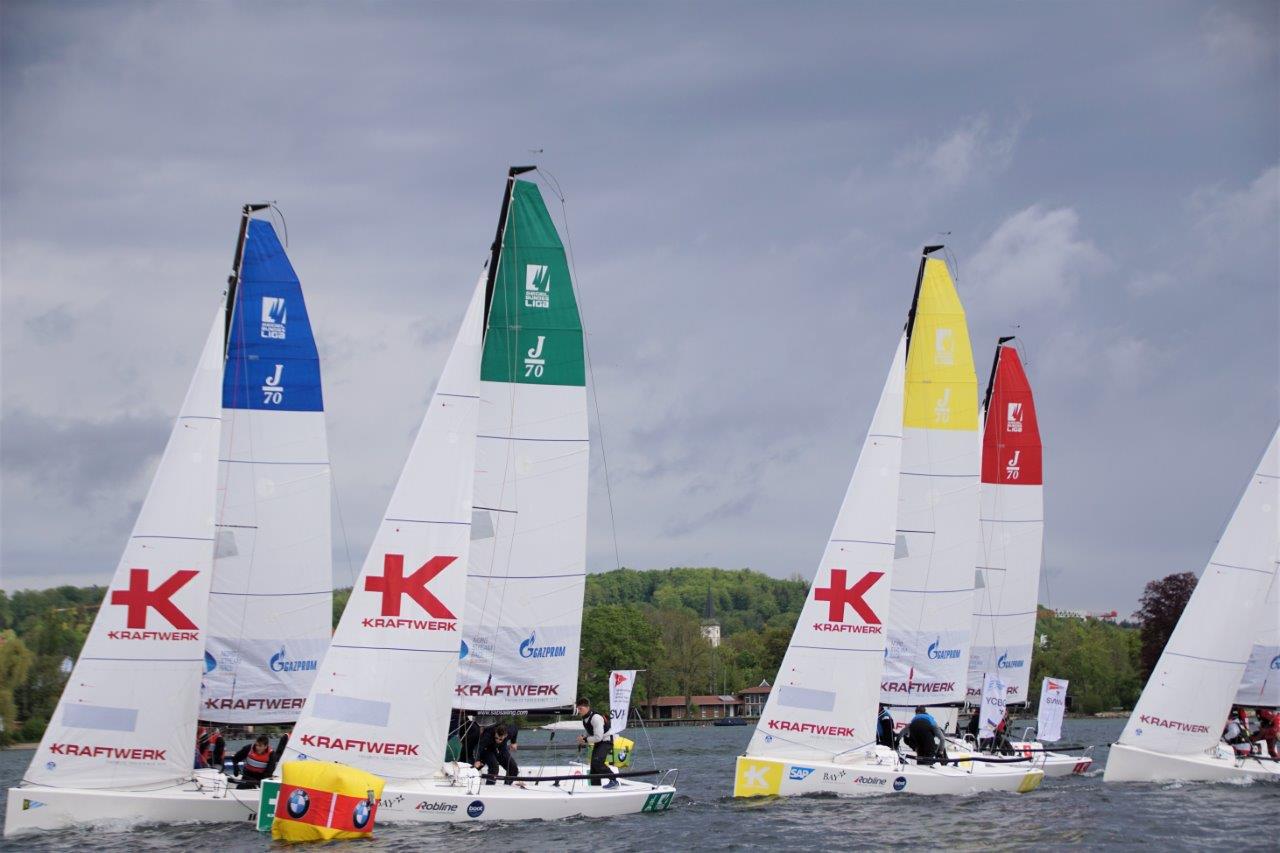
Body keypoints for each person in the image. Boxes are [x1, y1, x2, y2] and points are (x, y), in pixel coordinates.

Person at [576, 697, 617, 788]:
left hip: (607, 740)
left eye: (580, 708)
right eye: (578, 709)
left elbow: (598, 737)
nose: (579, 711)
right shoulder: (584, 718)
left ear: (587, 707)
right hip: (599, 741)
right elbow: (590, 732)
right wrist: (583, 739)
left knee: (597, 762)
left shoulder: (596, 718)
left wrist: (585, 740)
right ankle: (595, 787)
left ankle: (614, 781)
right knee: (594, 767)